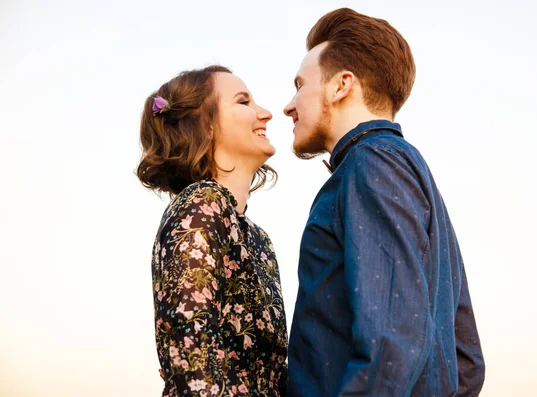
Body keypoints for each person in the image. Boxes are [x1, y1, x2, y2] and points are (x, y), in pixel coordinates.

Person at [283, 8, 485, 396]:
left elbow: (392, 343)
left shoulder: (371, 164)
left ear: (342, 85)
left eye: (300, 85)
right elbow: (466, 361)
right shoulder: (408, 169)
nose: (289, 105)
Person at [137, 66, 288, 397]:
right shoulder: (202, 205)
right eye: (244, 101)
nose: (265, 113)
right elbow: (192, 350)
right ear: (205, 124)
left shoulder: (257, 237)